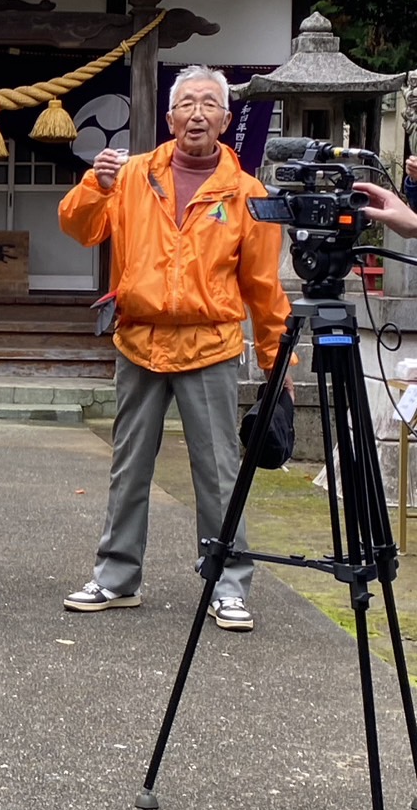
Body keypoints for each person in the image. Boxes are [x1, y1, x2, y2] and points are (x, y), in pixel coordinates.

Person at [58, 65, 291, 632]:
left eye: (209, 104)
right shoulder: (134, 174)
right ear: (168, 118)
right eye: (186, 104)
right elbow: (77, 227)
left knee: (218, 470)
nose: (196, 114)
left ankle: (228, 582)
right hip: (138, 340)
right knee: (128, 465)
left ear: (226, 120)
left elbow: (263, 285)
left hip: (209, 345)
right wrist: (96, 184)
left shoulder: (247, 194)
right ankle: (116, 578)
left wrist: (275, 362)